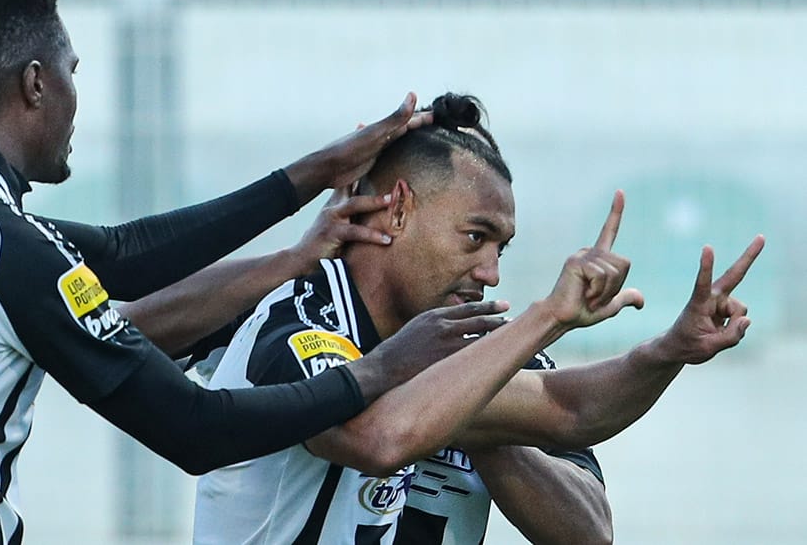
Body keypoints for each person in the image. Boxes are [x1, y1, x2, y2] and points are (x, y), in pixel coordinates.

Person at [0, 0, 515, 544]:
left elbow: (121, 253)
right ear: (36, 84)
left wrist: (306, 185)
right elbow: (196, 430)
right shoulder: (1, 247)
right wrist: (381, 370)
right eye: (72, 70)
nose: (75, 94)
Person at [190, 93, 764, 544]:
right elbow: (376, 437)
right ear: (398, 209)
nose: (491, 272)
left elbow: (582, 490)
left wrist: (667, 350)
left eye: (501, 248)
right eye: (474, 237)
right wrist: (532, 334)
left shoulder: (480, 346)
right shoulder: (295, 322)